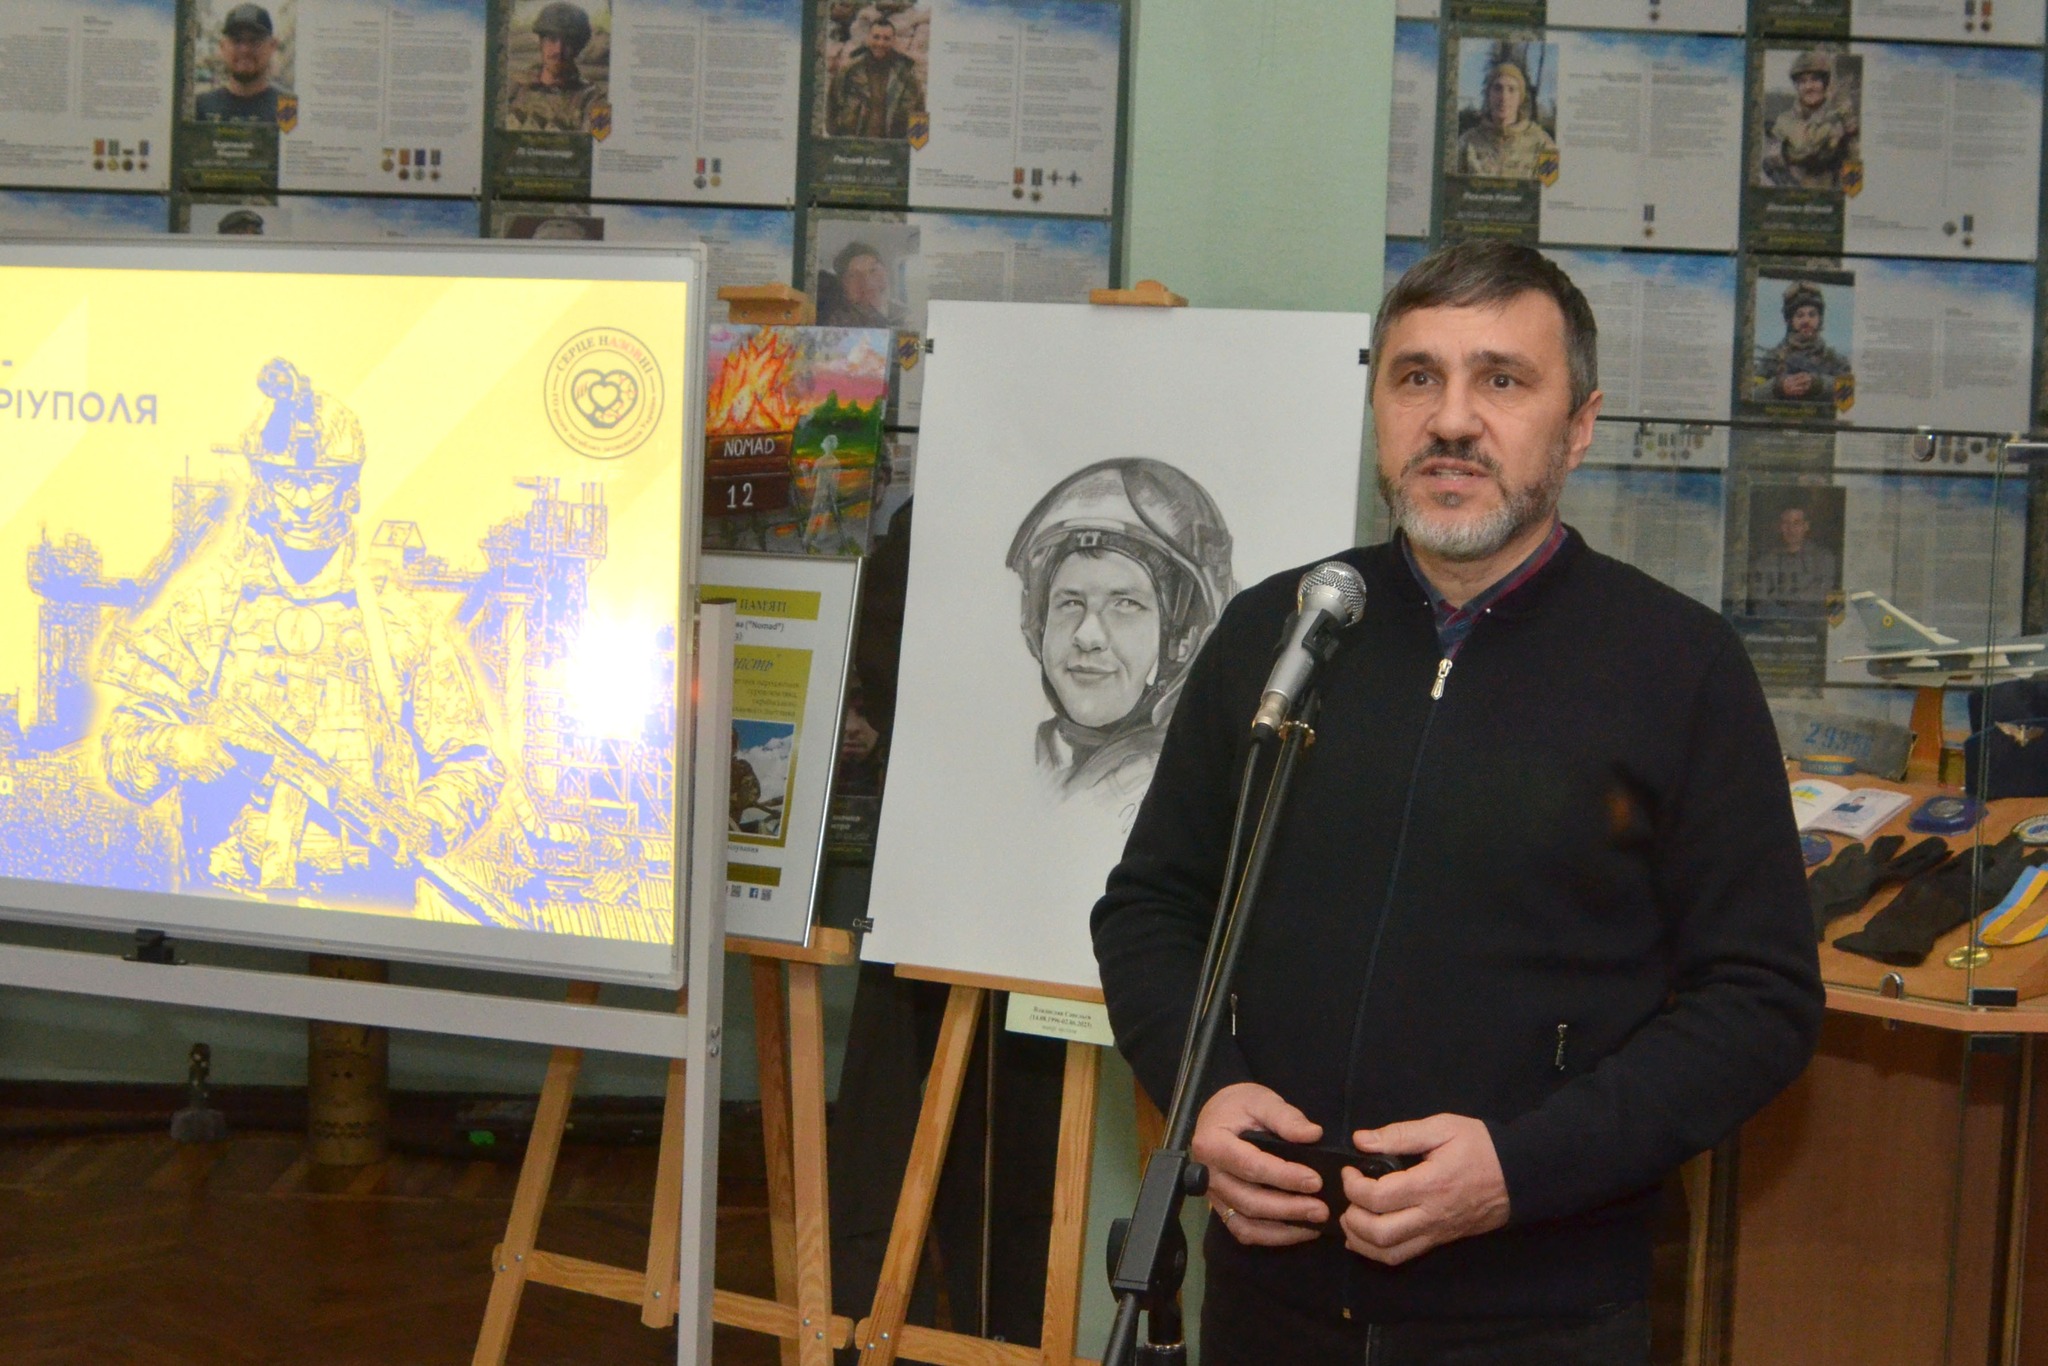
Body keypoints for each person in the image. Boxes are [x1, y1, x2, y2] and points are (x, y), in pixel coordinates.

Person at [1092, 240, 1823, 1364]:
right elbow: (1149, 909)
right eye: (1416, 377)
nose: (1450, 420)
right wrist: (1205, 1096)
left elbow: (1759, 1000)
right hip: (1270, 1298)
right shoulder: (1280, 633)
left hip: (1536, 1311)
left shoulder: (1678, 666)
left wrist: (1522, 1170)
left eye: (1502, 380)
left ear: (1578, 425)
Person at [100, 360, 505, 915]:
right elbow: (124, 749)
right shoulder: (209, 608)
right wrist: (180, 746)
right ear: (262, 488)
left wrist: (427, 820)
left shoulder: (399, 619)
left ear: (351, 490)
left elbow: (473, 759)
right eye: (286, 481)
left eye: (320, 482)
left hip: (367, 906)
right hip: (224, 903)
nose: (304, 501)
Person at [1005, 459, 1234, 804]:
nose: (1087, 636)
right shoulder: (1028, 765)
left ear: (1184, 636)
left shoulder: (1185, 785)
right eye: (1070, 602)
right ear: (1038, 620)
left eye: (1125, 604)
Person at [1759, 50, 1859, 191]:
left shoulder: (1842, 115)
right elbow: (1805, 145)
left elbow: (1854, 178)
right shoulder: (1785, 120)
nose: (1809, 87)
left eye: (1815, 80)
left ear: (1824, 83)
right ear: (1796, 86)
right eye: (1802, 81)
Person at [504, 1, 606, 134]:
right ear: (541, 42)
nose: (558, 50)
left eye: (567, 42)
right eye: (552, 39)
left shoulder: (595, 99)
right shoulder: (513, 87)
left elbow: (600, 141)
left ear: (578, 48)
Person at [1455, 49, 1557, 180]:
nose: (1504, 97)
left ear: (1520, 97)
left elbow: (1551, 188)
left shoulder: (1544, 143)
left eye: (1512, 89)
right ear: (1488, 94)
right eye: (1497, 88)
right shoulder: (1467, 143)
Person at [1753, 279, 1852, 407]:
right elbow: (1752, 394)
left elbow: (1849, 399)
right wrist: (1779, 387)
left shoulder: (1836, 361)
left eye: (1812, 315)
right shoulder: (1772, 359)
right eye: (1799, 315)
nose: (1806, 320)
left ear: (1820, 319)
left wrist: (1819, 384)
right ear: (1790, 321)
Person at [826, 15, 924, 140]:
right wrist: (839, 143)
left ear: (894, 41)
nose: (880, 43)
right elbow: (832, 107)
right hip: (855, 146)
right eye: (876, 37)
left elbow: (920, 114)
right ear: (868, 38)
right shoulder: (849, 71)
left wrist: (914, 147)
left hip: (893, 147)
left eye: (886, 38)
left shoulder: (907, 75)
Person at [194, 4, 291, 124]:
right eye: (237, 41)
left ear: (272, 46)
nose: (245, 50)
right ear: (222, 47)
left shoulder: (288, 108)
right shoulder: (200, 107)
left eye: (254, 41)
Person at [1747, 503, 1838, 619]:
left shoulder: (1823, 558)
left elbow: (1821, 593)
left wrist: (1783, 600)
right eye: (1786, 523)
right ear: (1780, 527)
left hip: (1810, 623)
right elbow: (1759, 596)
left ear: (1806, 526)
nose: (1791, 529)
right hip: (1774, 622)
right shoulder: (1765, 561)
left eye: (1796, 523)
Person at [818, 241, 896, 329]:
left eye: (873, 270)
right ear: (843, 285)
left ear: (886, 272)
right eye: (854, 275)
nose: (867, 282)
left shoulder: (904, 315)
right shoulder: (839, 322)